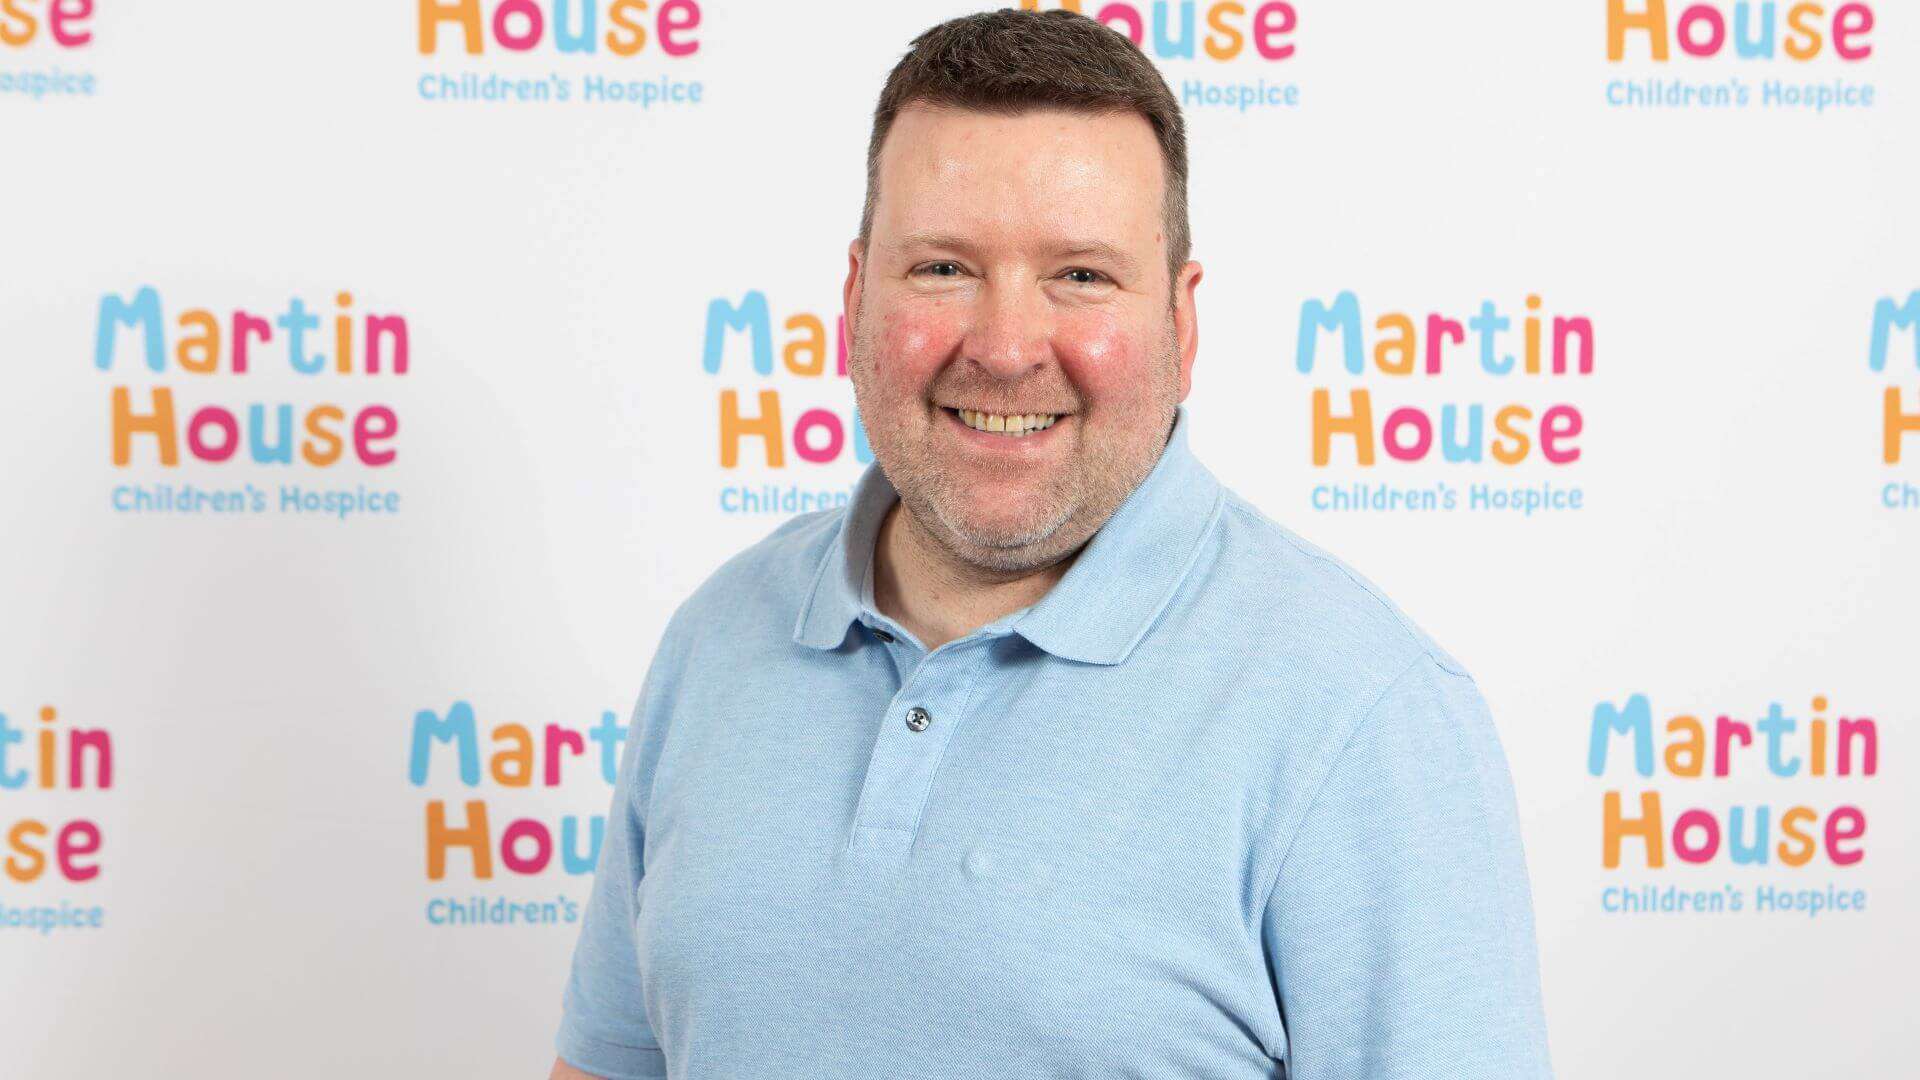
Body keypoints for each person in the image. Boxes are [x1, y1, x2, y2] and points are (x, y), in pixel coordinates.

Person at [550, 9, 1554, 1079]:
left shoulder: (1363, 715)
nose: (1005, 348)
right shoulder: (717, 638)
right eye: (942, 268)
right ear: (852, 300)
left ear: (1182, 317)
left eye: (1080, 275)